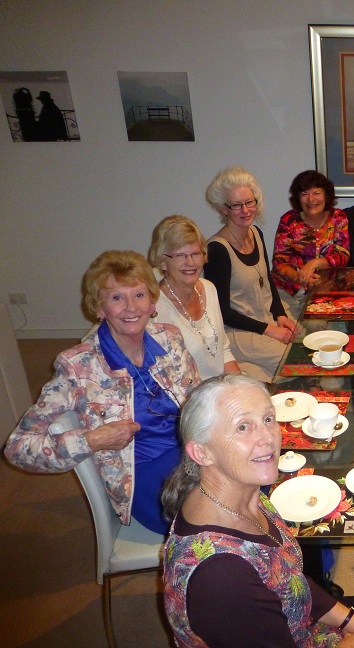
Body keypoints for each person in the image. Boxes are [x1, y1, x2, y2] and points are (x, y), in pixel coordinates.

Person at [162, 374, 354, 648]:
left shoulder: (244, 494)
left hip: (292, 619)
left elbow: (287, 576)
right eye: (243, 427)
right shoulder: (222, 578)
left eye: (268, 419)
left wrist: (351, 619)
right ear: (202, 453)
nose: (267, 437)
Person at [4, 250, 200, 535]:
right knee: (219, 517)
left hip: (196, 454)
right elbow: (17, 448)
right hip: (145, 477)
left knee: (258, 481)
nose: (131, 307)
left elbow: (198, 399)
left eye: (139, 295)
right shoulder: (78, 367)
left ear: (152, 302)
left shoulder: (169, 339)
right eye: (117, 298)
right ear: (99, 308)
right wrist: (92, 440)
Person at [203, 166, 298, 383]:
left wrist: (281, 316)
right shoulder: (217, 249)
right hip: (239, 331)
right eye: (236, 205)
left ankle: (260, 377)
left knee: (306, 342)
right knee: (296, 360)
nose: (245, 210)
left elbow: (268, 281)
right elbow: (222, 311)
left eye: (249, 202)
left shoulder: (256, 233)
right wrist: (269, 330)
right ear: (223, 209)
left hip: (266, 318)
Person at [148, 215, 240, 380]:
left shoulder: (208, 289)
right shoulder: (155, 308)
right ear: (162, 261)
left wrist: (241, 385)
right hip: (191, 393)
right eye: (180, 255)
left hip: (220, 386)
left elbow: (224, 351)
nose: (190, 262)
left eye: (195, 254)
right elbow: (169, 378)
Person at [271, 170, 350, 315]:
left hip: (324, 290)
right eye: (304, 194)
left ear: (326, 195)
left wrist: (315, 263)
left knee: (317, 324)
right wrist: (299, 277)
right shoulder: (289, 220)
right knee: (287, 326)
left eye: (316, 193)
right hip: (287, 291)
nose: (311, 199)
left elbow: (342, 255)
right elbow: (279, 262)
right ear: (298, 198)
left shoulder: (338, 217)